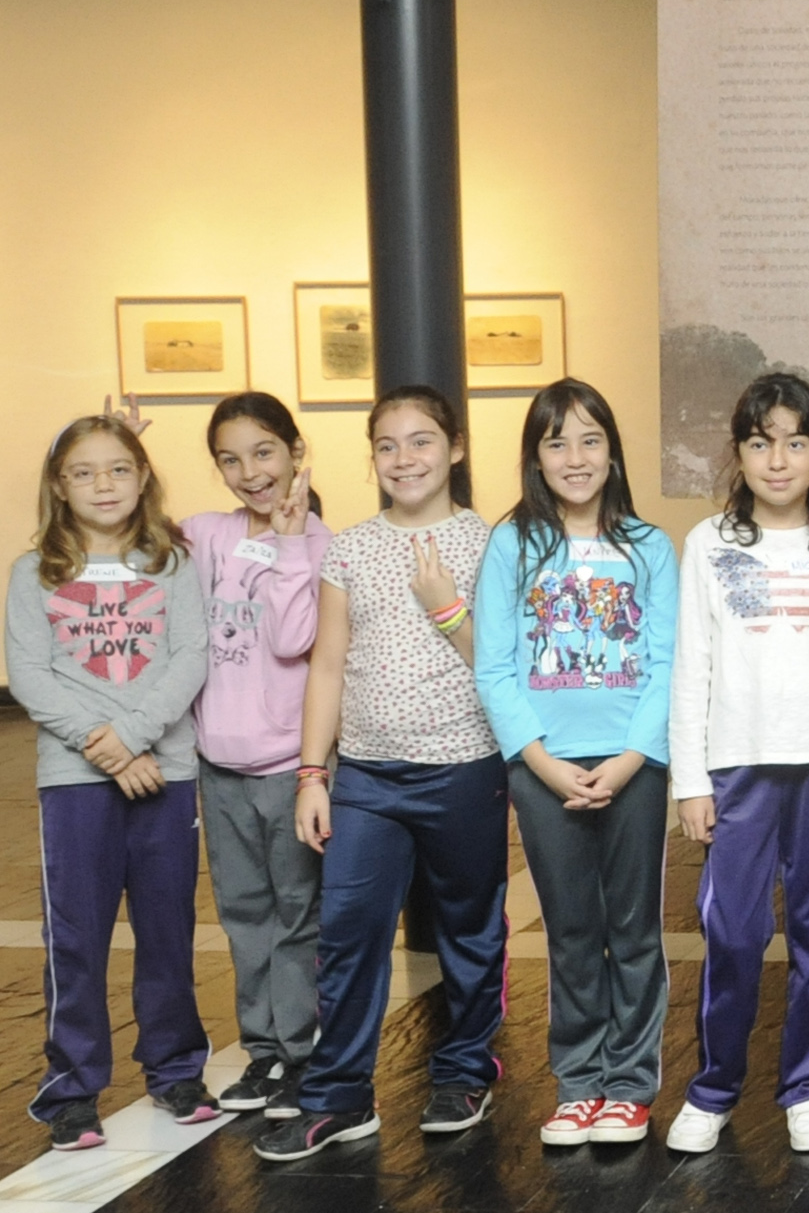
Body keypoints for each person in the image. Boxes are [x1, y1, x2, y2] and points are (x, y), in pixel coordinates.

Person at [260, 387, 511, 1162]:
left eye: (421, 440)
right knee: (347, 934)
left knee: (471, 930)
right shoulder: (352, 548)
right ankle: (338, 1097)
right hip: (367, 777)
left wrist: (446, 608)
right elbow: (327, 665)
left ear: (456, 448)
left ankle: (465, 1071)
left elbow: (504, 669)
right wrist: (313, 773)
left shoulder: (493, 544)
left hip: (465, 766)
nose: (404, 459)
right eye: (387, 445)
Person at [667, 374, 809, 1156]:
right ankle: (713, 1089)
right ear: (739, 453)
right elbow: (691, 666)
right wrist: (690, 780)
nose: (778, 460)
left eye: (796, 443)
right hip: (737, 768)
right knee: (731, 932)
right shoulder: (710, 544)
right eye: (761, 443)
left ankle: (806, 1086)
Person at [473, 380, 679, 1147]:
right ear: (535, 457)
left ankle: (629, 1085)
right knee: (570, 930)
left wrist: (629, 761)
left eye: (590, 439)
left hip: (635, 766)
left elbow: (667, 664)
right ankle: (579, 1083)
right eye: (556, 442)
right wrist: (540, 761)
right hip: (542, 770)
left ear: (613, 451)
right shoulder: (513, 544)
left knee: (634, 929)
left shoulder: (650, 547)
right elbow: (494, 668)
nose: (575, 457)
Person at [10, 414, 212, 1152]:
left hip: (166, 772)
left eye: (119, 468)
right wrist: (114, 750)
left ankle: (176, 1069)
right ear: (59, 486)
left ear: (143, 477)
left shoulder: (172, 565)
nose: (104, 484)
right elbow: (30, 676)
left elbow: (190, 657)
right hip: (77, 779)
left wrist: (133, 737)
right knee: (76, 936)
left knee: (168, 930)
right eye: (84, 472)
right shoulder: (33, 573)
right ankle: (71, 1088)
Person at [187, 393, 330, 1119]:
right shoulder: (205, 534)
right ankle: (263, 1051)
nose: (250, 472)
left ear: (295, 453)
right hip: (219, 767)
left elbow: (291, 638)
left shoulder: (321, 544)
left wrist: (290, 541)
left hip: (287, 768)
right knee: (243, 915)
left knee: (297, 914)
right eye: (230, 459)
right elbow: (125, 532)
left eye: (264, 452)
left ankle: (302, 1054)